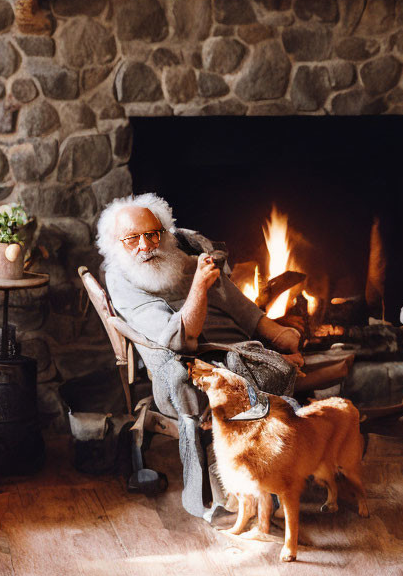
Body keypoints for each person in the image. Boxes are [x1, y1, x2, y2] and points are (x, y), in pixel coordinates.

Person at [95, 193, 301, 519]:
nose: (145, 245)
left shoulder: (178, 254)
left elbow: (235, 301)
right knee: (259, 378)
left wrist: (275, 333)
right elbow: (177, 340)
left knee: (274, 370)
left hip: (231, 345)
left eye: (152, 234)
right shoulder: (124, 279)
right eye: (132, 238)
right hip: (183, 368)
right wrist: (198, 288)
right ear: (114, 244)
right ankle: (251, 484)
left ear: (165, 233)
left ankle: (275, 472)